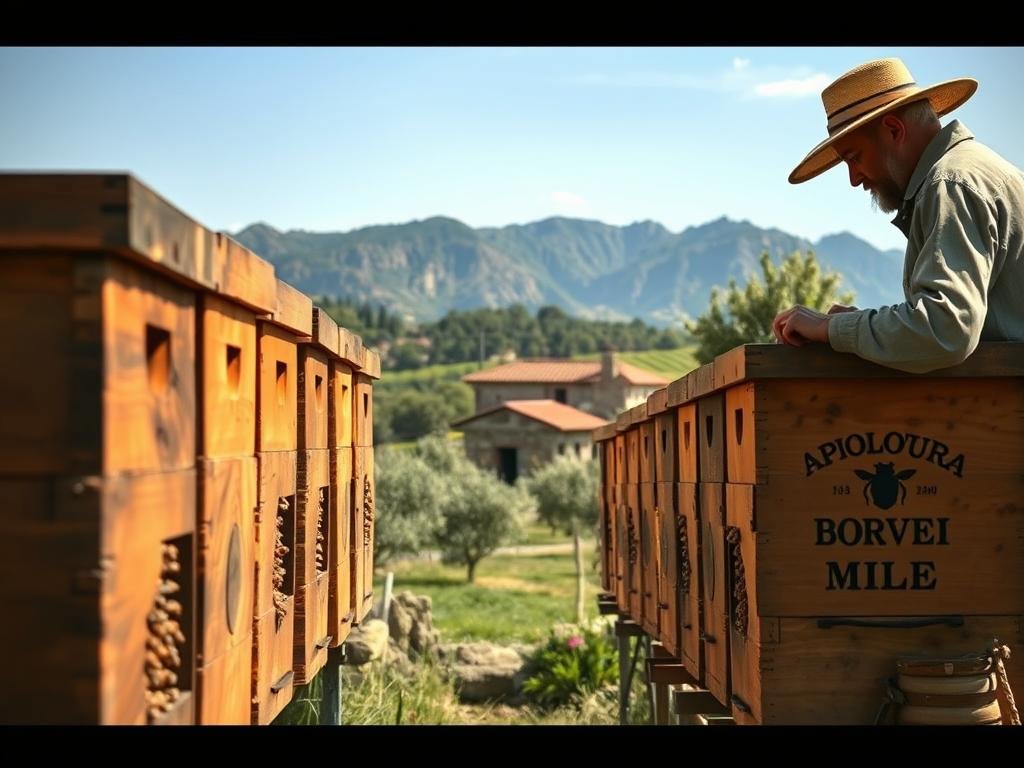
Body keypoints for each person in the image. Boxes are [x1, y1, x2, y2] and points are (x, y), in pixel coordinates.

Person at [772, 57, 1024, 373]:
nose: (853, 178)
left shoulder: (949, 184)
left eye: (854, 157)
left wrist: (831, 329)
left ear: (893, 130)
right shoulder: (972, 170)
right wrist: (856, 326)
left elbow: (945, 330)